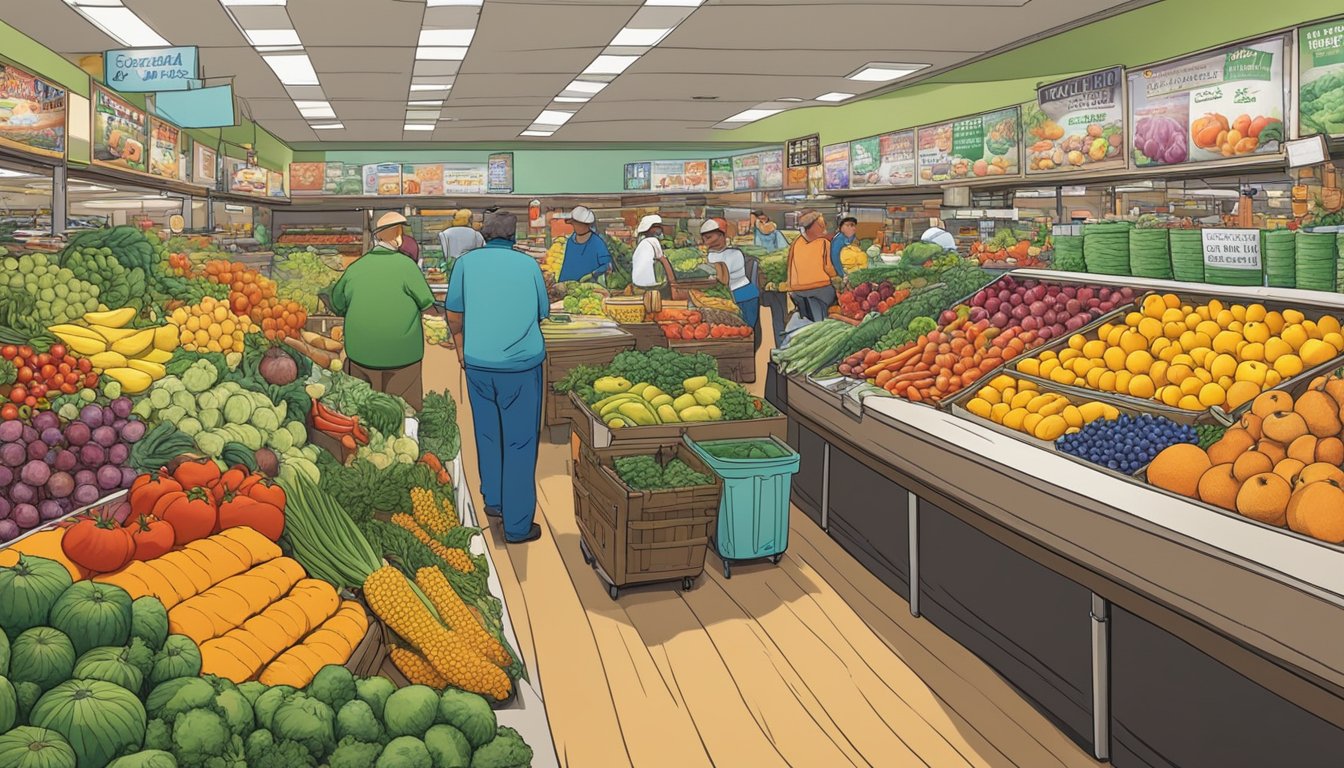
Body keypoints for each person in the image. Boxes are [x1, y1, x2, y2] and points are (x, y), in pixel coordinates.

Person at [444, 211, 546, 544]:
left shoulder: (465, 264)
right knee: (519, 442)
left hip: (478, 364)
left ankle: (494, 501)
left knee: (487, 434)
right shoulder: (529, 266)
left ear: (484, 236)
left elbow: (454, 315)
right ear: (513, 237)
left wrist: (460, 351)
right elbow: (542, 312)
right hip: (521, 367)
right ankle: (517, 526)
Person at [329, 211, 433, 410]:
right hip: (403, 357)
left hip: (361, 356)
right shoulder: (407, 267)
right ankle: (409, 434)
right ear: (397, 237)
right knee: (405, 411)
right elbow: (426, 302)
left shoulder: (355, 268)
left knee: (362, 411)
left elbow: (338, 304)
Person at [700, 218, 760, 335]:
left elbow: (723, 279)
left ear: (721, 236)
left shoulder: (735, 254)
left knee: (745, 331)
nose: (705, 241)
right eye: (704, 238)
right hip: (724, 299)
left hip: (744, 297)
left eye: (709, 237)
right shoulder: (708, 255)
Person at [786, 209, 837, 323]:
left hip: (797, 291)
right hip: (820, 289)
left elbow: (789, 265)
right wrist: (839, 277)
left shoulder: (796, 242)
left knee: (806, 317)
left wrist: (790, 287)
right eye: (820, 225)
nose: (824, 228)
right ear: (811, 226)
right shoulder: (824, 243)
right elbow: (829, 268)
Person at [557, 206, 612, 283]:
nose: (575, 226)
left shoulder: (597, 242)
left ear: (587, 225)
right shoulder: (570, 241)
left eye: (577, 224)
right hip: (566, 286)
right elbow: (566, 266)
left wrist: (592, 274)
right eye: (574, 223)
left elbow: (607, 265)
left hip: (588, 288)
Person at [630, 214, 673, 295]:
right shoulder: (653, 241)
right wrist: (672, 281)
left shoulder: (642, 243)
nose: (659, 229)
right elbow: (663, 260)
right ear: (648, 228)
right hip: (651, 285)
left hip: (637, 284)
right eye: (656, 227)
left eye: (659, 227)